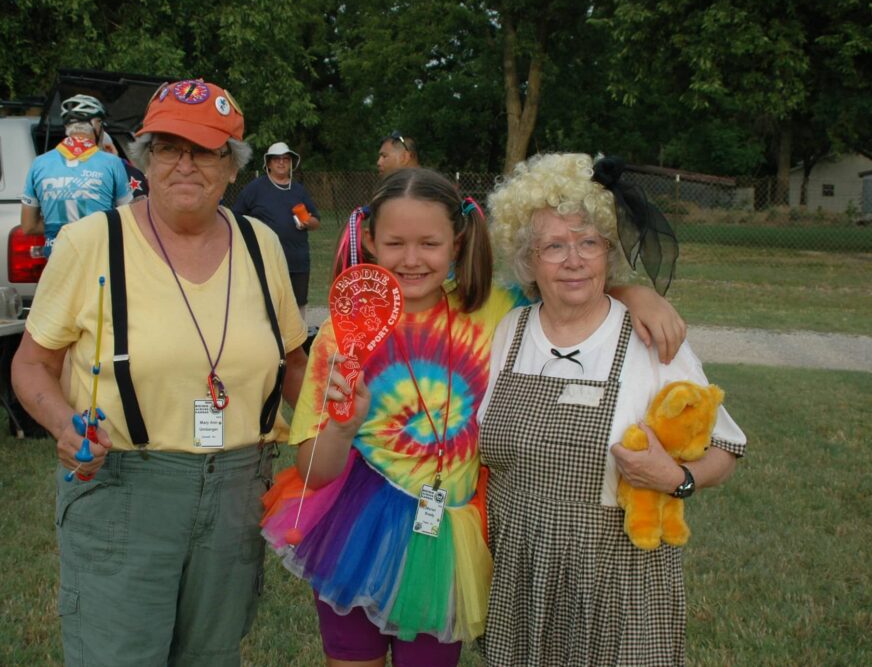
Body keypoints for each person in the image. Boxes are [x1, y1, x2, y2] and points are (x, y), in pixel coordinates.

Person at [262, 167, 687, 667]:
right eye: (396, 243)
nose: (413, 259)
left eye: (430, 243)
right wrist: (342, 424)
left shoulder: (494, 310)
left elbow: (567, 285)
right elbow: (319, 469)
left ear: (458, 241)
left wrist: (635, 293)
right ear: (370, 241)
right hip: (354, 528)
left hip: (446, 536)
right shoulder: (343, 333)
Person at [10, 78, 309, 666]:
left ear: (232, 166)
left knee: (212, 655)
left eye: (204, 151)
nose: (185, 165)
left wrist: (345, 431)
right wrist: (63, 426)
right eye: (169, 148)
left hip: (238, 490)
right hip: (125, 488)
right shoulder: (89, 242)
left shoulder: (262, 245)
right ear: (145, 160)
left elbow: (296, 364)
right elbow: (31, 364)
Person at [479, 152, 746, 665]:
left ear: (609, 252)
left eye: (589, 243)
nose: (573, 260)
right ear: (528, 260)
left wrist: (678, 478)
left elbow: (725, 450)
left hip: (619, 577)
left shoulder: (651, 338)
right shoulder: (508, 331)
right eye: (553, 246)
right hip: (522, 575)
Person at [20, 94, 132, 256]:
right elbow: (128, 219)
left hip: (58, 258)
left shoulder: (39, 163)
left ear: (67, 127)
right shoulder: (112, 163)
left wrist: (64, 229)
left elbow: (28, 226)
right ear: (96, 124)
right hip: (97, 257)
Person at [232, 142, 321, 313]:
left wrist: (307, 222)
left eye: (286, 159)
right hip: (267, 259)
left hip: (297, 260)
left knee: (298, 306)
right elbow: (236, 216)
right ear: (269, 164)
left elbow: (316, 220)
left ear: (291, 163)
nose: (281, 162)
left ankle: (298, 340)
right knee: (269, 306)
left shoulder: (298, 190)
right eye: (276, 159)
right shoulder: (256, 188)